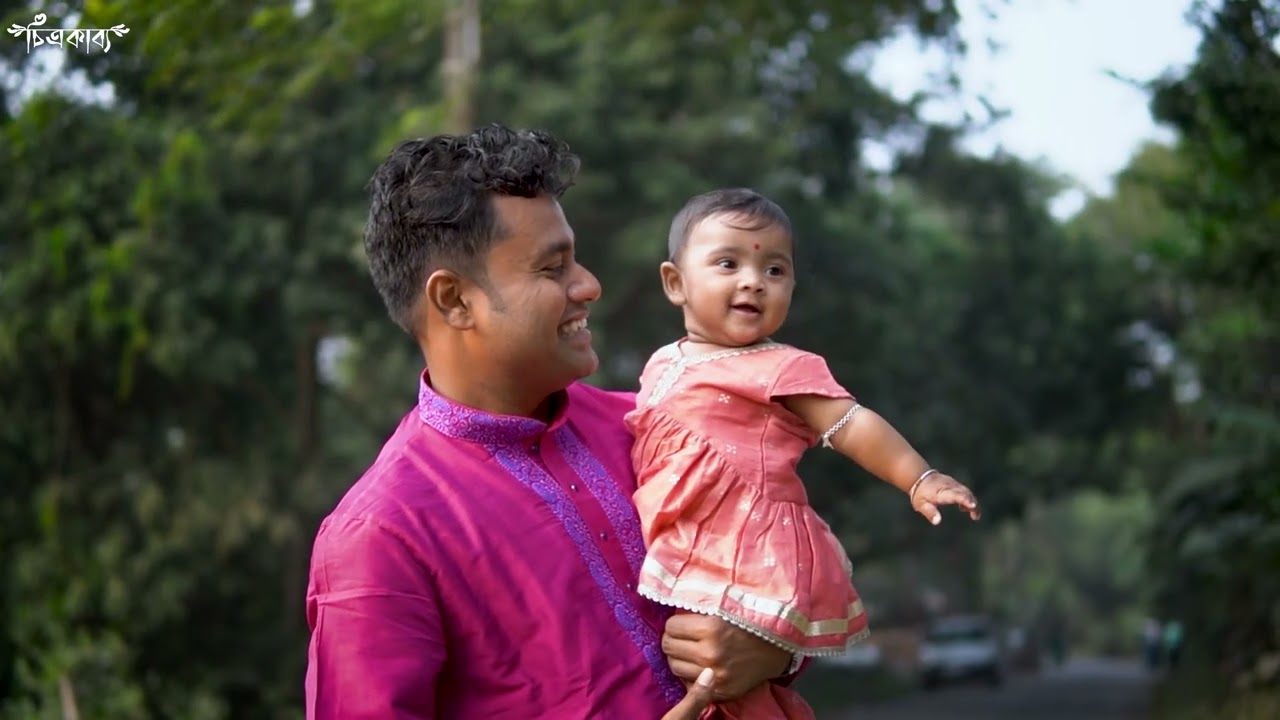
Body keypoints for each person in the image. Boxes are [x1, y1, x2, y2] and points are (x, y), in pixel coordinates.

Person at [303, 126, 802, 720]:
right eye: (551, 268)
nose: (588, 285)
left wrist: (775, 650)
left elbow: (787, 582)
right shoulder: (382, 534)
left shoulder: (654, 425)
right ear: (454, 300)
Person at [624, 188, 983, 719]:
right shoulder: (661, 363)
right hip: (686, 539)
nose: (753, 280)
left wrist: (918, 477)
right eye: (728, 263)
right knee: (701, 675)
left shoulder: (782, 366)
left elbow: (851, 424)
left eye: (774, 270)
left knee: (727, 683)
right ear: (675, 283)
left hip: (747, 544)